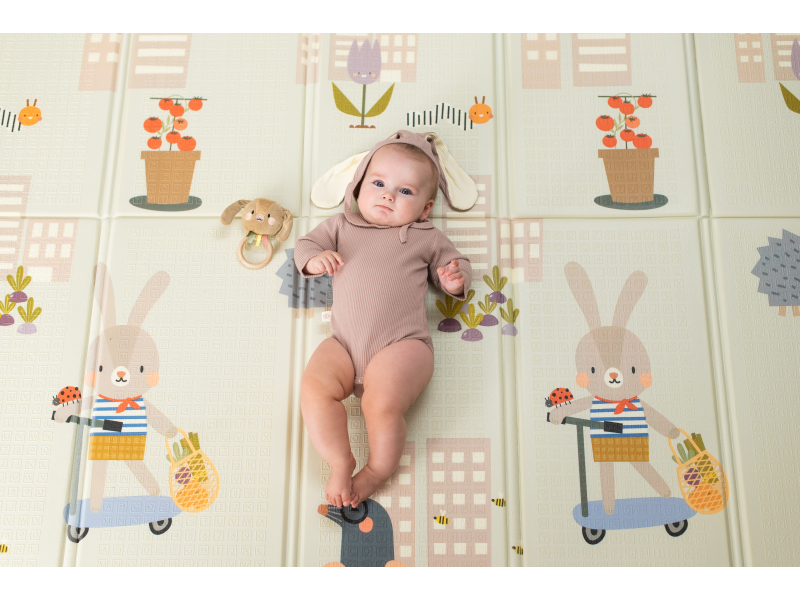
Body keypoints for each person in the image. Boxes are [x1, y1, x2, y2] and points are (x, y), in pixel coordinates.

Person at [295, 130, 473, 508]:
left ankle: (376, 471)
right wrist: (314, 259)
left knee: (380, 405)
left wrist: (454, 279)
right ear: (358, 187)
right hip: (343, 345)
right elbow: (306, 245)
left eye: (405, 191)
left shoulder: (425, 236)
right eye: (378, 184)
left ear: (425, 208)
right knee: (313, 389)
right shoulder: (341, 226)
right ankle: (340, 461)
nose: (388, 195)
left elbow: (455, 263)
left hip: (402, 345)